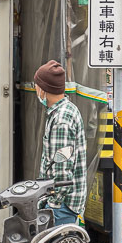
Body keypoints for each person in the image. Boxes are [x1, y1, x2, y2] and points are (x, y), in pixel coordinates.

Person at [34, 60, 88, 227]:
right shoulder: (66, 109)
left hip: (62, 204)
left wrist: (54, 203)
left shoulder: (61, 121)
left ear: (43, 89)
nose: (35, 89)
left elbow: (62, 171)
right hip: (64, 202)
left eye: (36, 85)